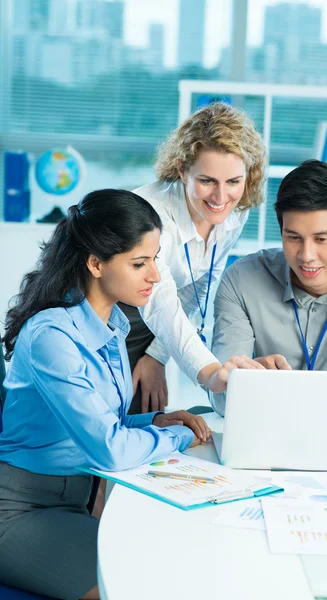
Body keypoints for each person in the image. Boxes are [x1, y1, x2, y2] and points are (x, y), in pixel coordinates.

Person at [0, 189, 261, 600]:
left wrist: (157, 420)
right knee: (144, 582)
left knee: (185, 558)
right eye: (140, 263)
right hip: (20, 512)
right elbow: (110, 450)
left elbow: (108, 422)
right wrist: (180, 436)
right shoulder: (52, 336)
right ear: (95, 263)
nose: (155, 276)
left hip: (72, 503)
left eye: (155, 259)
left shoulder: (114, 325)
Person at [209, 159, 327, 424]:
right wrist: (244, 380)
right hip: (266, 435)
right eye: (293, 237)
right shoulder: (241, 281)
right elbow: (221, 399)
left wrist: (268, 396)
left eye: (321, 239)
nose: (306, 256)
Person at [119, 101, 267, 414]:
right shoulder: (153, 215)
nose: (220, 197)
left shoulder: (234, 212)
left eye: (233, 182)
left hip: (156, 324)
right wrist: (211, 373)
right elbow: (160, 300)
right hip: (110, 316)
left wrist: (157, 355)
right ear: (183, 170)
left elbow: (198, 285)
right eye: (207, 181)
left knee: (144, 420)